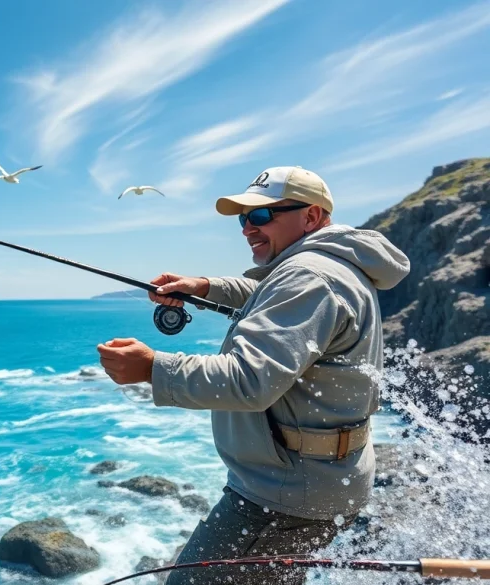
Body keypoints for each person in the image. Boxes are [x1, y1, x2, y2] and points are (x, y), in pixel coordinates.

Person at [96, 166, 410, 584]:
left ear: (312, 216)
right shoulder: (329, 264)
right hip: (319, 477)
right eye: (244, 218)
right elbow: (269, 296)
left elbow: (249, 380)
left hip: (284, 494)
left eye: (262, 216)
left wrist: (153, 367)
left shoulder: (310, 277)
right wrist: (205, 286)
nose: (247, 228)